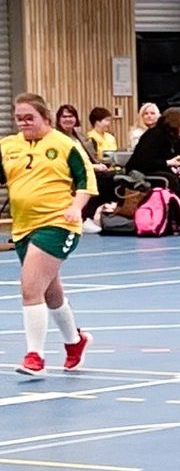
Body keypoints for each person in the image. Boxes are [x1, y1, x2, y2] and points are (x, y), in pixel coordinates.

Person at [0, 94, 97, 377]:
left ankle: (35, 356)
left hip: (57, 224)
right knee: (50, 291)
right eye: (19, 118)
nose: (23, 123)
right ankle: (75, 342)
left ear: (45, 118)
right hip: (23, 227)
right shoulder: (8, 146)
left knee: (30, 287)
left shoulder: (65, 145)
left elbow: (86, 181)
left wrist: (76, 207)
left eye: (29, 117)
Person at [129, 106, 180, 225]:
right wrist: (168, 163)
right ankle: (176, 219)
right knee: (171, 180)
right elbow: (142, 161)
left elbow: (179, 157)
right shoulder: (153, 135)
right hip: (147, 170)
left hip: (168, 169)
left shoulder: (177, 138)